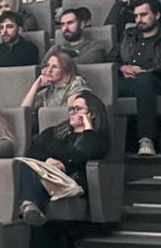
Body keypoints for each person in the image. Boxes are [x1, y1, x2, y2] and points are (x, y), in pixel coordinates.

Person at [17, 92, 112, 227]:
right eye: (71, 109)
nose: (72, 112)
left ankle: (29, 206)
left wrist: (88, 128)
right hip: (45, 171)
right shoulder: (54, 132)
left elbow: (88, 153)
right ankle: (30, 208)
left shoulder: (98, 138)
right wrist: (48, 160)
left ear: (92, 114)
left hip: (68, 178)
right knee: (21, 164)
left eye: (77, 109)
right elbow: (33, 151)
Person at [118, 0, 161, 156]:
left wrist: (149, 70)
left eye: (143, 15)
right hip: (128, 81)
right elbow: (112, 57)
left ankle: (146, 138)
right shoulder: (129, 34)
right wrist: (122, 67)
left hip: (157, 80)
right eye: (136, 16)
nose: (139, 20)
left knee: (144, 80)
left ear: (157, 15)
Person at [23, 52, 88, 111]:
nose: (49, 70)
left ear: (65, 71)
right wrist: (35, 86)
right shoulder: (49, 90)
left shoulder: (77, 83)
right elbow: (24, 111)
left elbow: (71, 111)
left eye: (54, 67)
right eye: (48, 65)